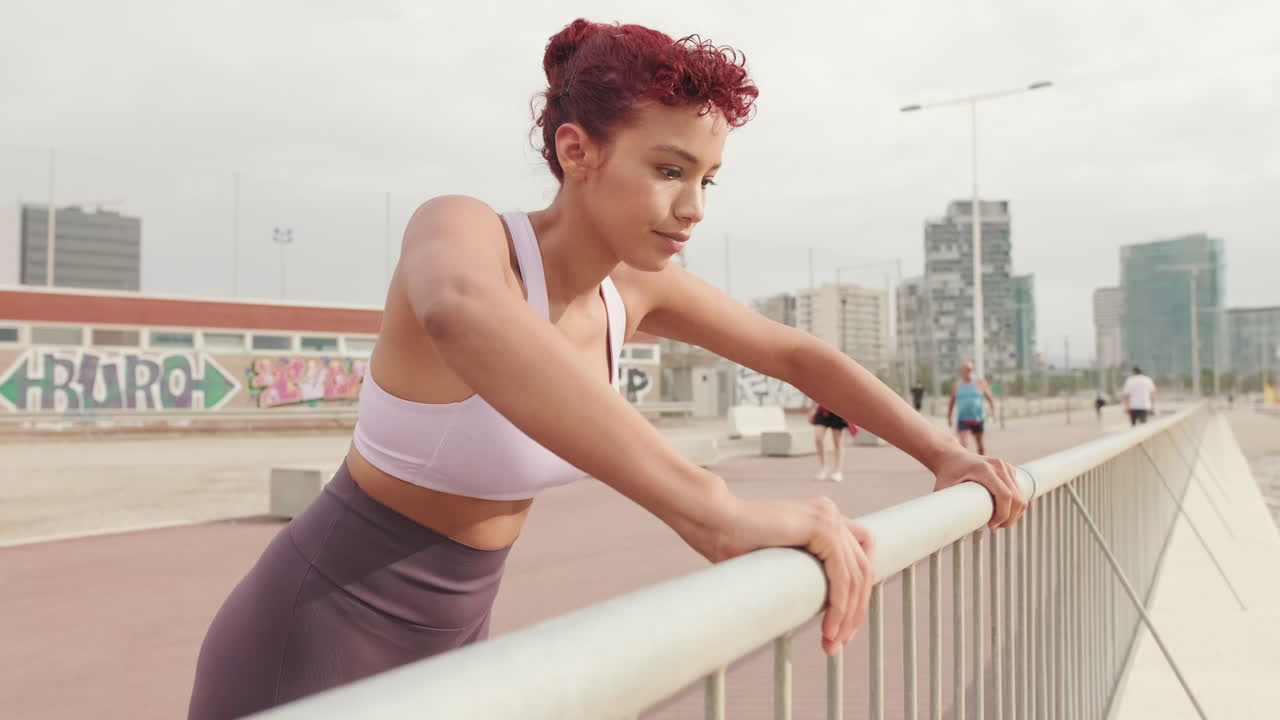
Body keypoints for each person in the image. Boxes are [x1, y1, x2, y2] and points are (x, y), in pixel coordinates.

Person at [187, 19, 1026, 719]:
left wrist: (943, 454)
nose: (693, 207)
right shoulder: (466, 233)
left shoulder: (637, 290)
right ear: (577, 150)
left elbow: (796, 353)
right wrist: (716, 513)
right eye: (668, 170)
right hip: (307, 641)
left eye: (707, 178)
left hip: (454, 652)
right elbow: (460, 311)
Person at [948, 361, 997, 455]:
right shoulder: (956, 385)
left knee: (980, 446)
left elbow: (990, 398)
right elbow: (951, 402)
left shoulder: (980, 383)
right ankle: (965, 467)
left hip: (978, 419)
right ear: (962, 371)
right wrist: (949, 417)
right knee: (963, 445)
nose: (968, 371)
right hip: (963, 419)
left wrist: (992, 412)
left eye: (970, 369)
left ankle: (982, 465)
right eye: (966, 369)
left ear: (973, 370)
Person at [810, 403, 849, 482]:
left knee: (837, 442)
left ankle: (837, 471)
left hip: (838, 410)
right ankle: (824, 467)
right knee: (818, 438)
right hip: (822, 409)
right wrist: (812, 409)